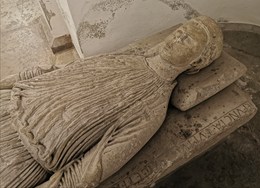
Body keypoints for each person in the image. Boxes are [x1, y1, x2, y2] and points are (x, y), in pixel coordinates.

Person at [0, 16, 223, 188]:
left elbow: (95, 166)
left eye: (189, 39)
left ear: (197, 62)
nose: (177, 38)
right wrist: (15, 81)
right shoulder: (124, 58)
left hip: (20, 160)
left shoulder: (153, 108)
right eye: (180, 31)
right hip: (9, 105)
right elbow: (64, 72)